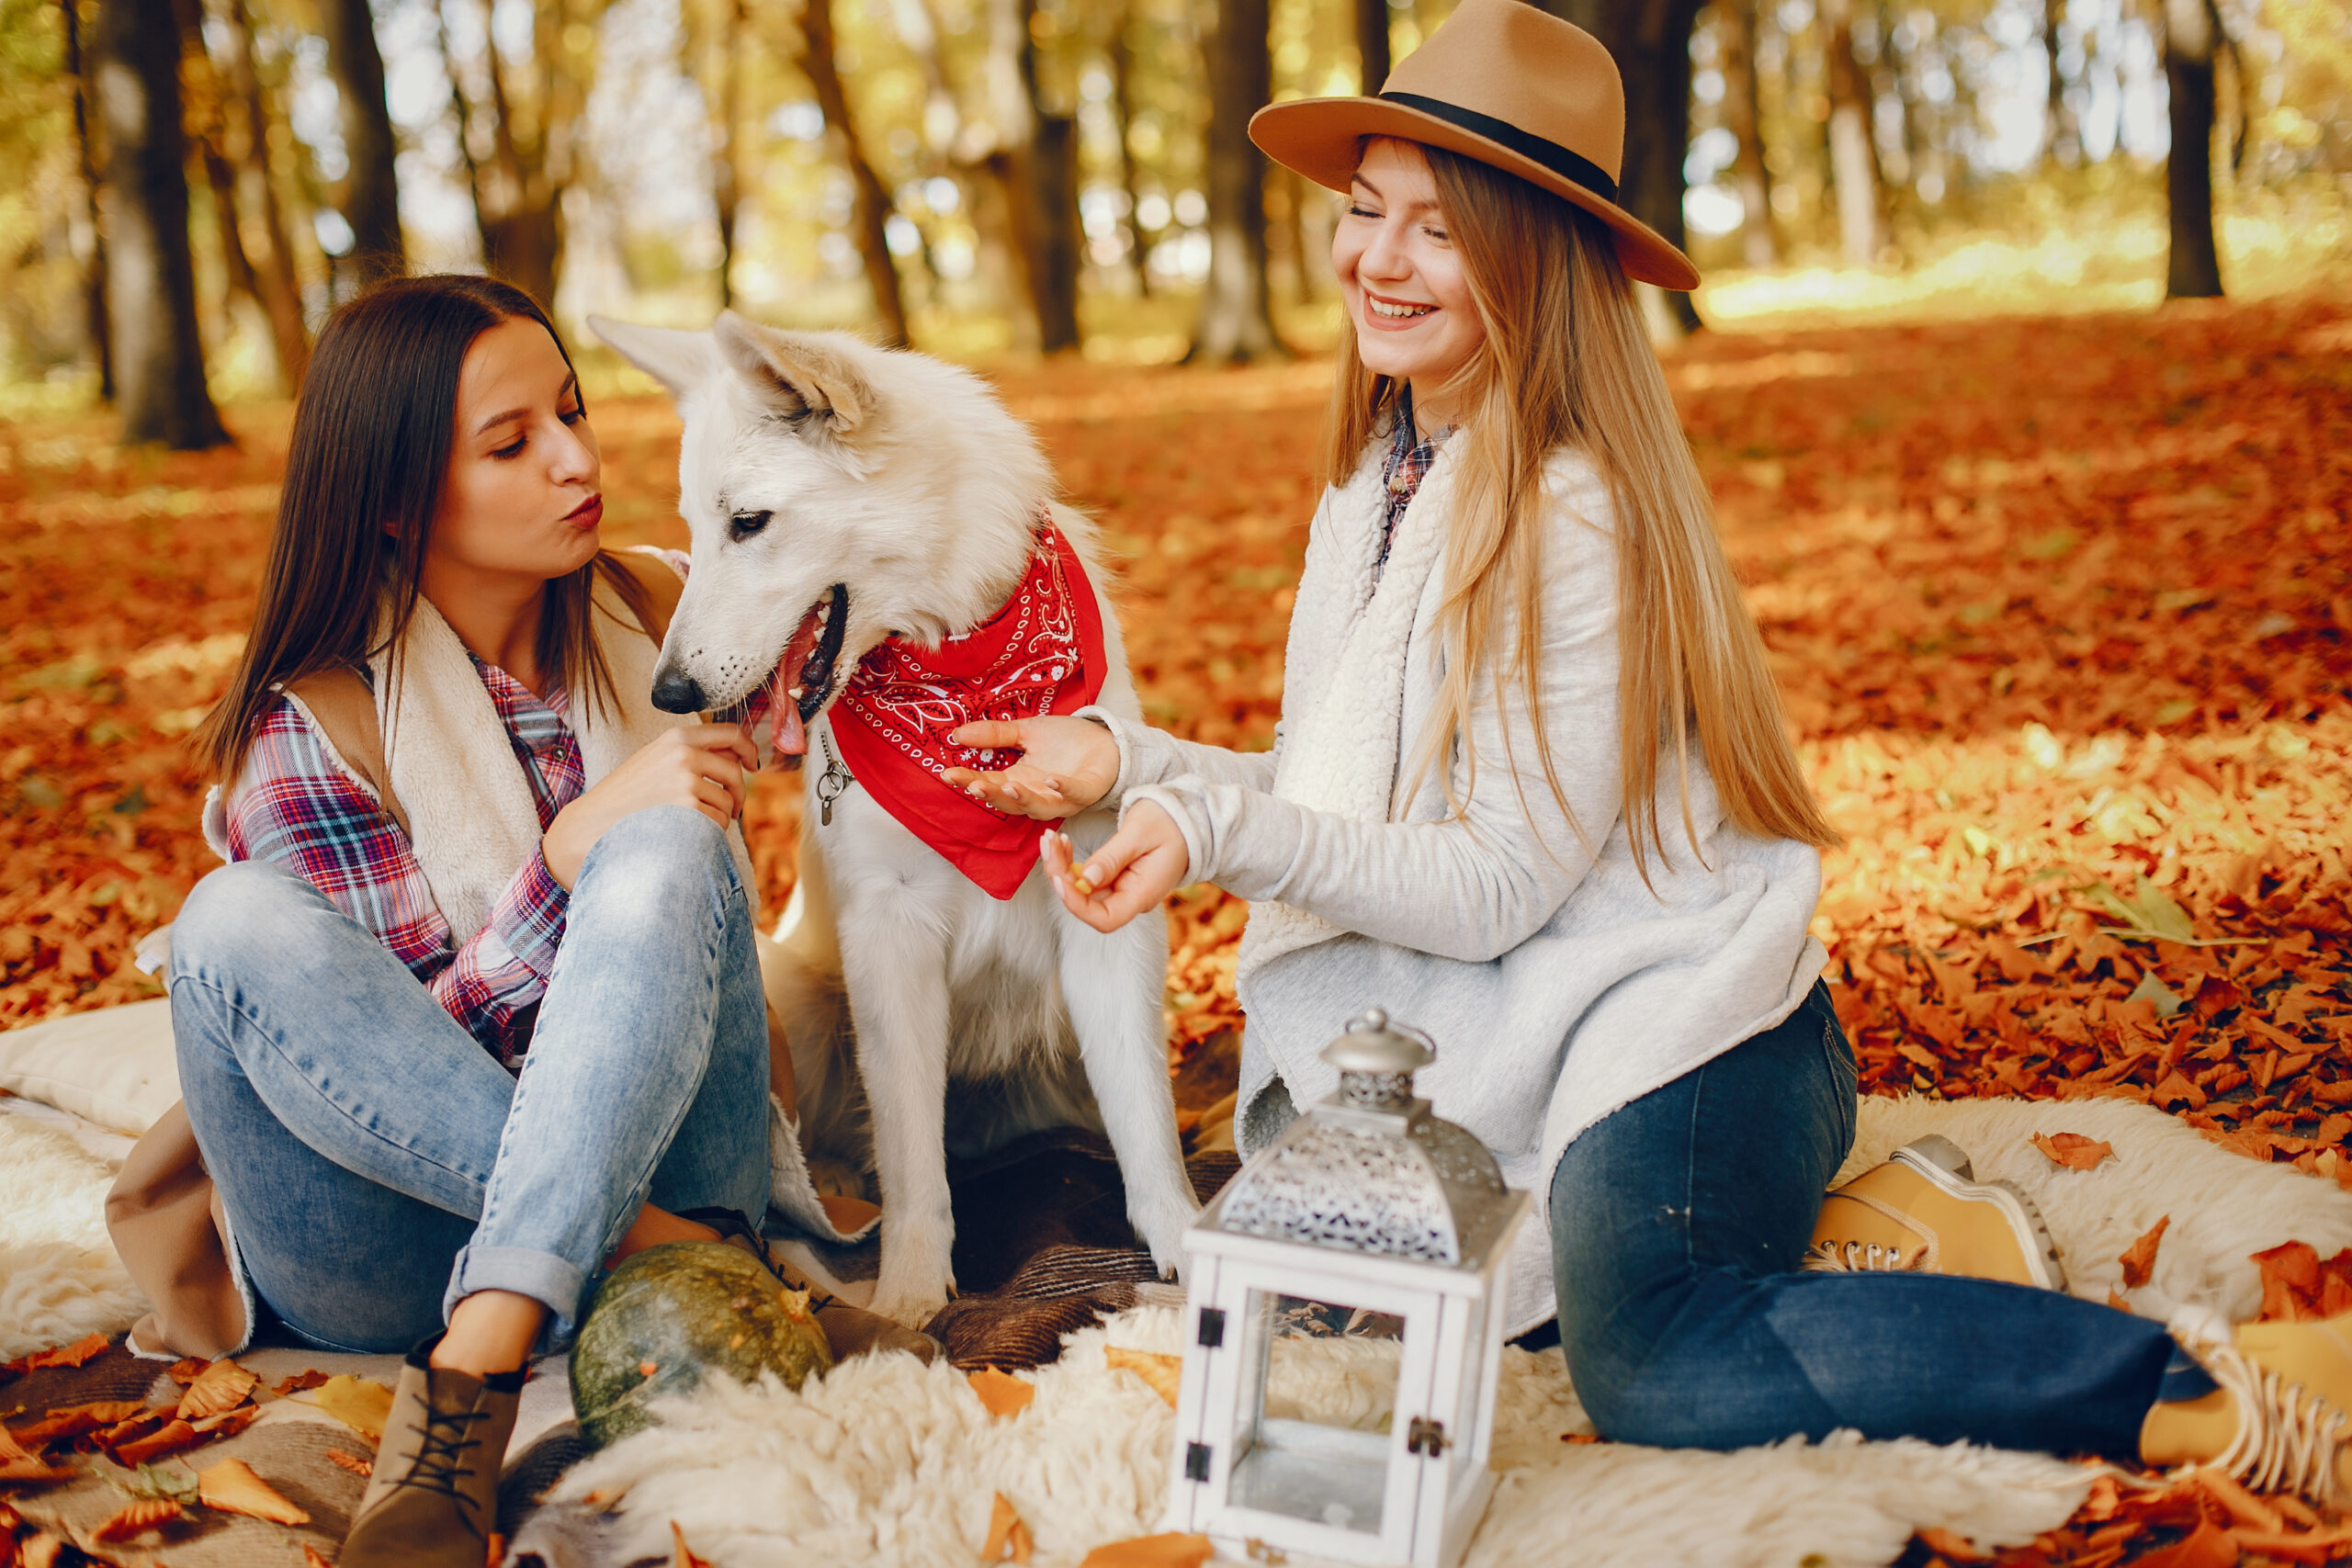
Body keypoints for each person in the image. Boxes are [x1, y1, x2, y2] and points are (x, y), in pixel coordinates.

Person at [944, 0, 2352, 1506]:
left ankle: (2202, 1394)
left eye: (1438, 228)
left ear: (1535, 254)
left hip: (1678, 1026)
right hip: (1511, 1014)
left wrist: (1209, 832)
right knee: (1312, 1169)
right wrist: (1124, 766)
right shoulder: (1382, 479)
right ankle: (1885, 1237)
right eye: (1367, 214)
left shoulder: (1574, 514)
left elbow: (1485, 886)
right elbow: (1335, 793)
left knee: (1658, 1353)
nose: (1378, 260)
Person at [158, 275, 925, 1568]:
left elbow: (891, 579)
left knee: (672, 839)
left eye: (571, 412)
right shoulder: (312, 731)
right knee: (227, 926)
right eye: (513, 444)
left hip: (687, 1144)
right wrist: (563, 862)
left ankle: (466, 1391)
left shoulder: (674, 617)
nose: (578, 459)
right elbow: (375, 1083)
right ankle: (686, 1267)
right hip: (385, 1245)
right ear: (399, 504)